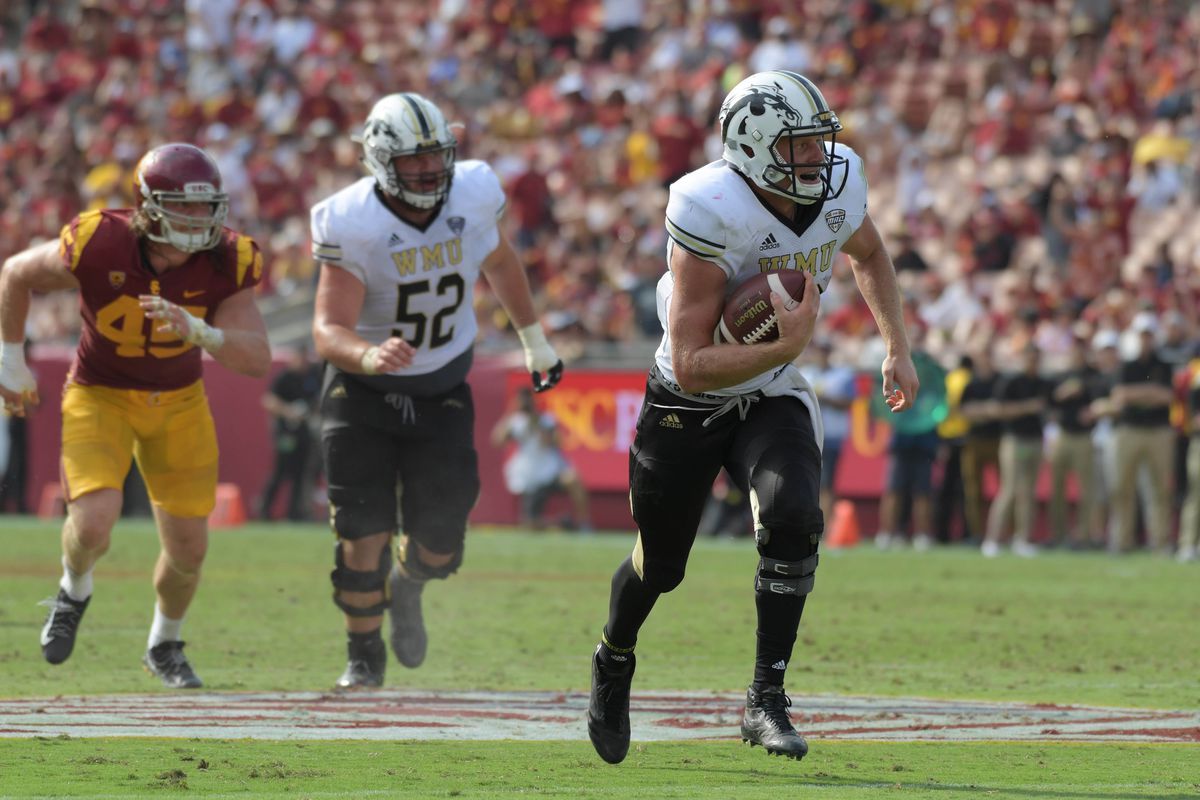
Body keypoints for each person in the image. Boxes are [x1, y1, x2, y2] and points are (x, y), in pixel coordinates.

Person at [586, 71, 918, 765]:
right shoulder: (708, 207)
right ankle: (614, 658)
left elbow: (871, 254)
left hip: (771, 390)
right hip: (688, 399)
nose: (817, 160)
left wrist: (896, 345)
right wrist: (790, 342)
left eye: (818, 143)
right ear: (755, 147)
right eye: (798, 147)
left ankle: (765, 698)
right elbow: (694, 359)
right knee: (661, 566)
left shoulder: (838, 182)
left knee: (794, 515)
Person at [311, 92, 563, 690]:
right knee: (361, 534)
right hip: (363, 390)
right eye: (413, 160)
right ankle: (363, 655)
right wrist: (367, 353)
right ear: (379, 159)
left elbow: (500, 263)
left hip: (442, 385)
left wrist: (534, 340)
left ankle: (410, 586)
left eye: (436, 157)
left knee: (440, 542)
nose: (428, 171)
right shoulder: (351, 220)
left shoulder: (473, 191)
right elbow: (326, 329)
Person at [0, 143, 270, 688]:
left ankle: (164, 644)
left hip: (179, 402)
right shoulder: (99, 241)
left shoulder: (228, 258)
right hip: (100, 393)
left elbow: (257, 357)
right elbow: (15, 273)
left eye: (205, 207)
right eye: (183, 207)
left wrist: (201, 330)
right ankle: (74, 589)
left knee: (190, 549)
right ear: (148, 207)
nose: (198, 219)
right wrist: (9, 360)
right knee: (94, 521)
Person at [490, 386, 590, 531]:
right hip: (530, 477)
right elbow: (497, 441)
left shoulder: (546, 419)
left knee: (573, 479)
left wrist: (535, 420)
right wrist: (510, 413)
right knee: (530, 524)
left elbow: (553, 442)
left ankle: (584, 524)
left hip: (551, 471)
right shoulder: (515, 422)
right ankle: (560, 524)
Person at [980, 343, 1048, 558]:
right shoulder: (1011, 381)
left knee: (1028, 493)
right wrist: (1026, 407)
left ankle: (1023, 538)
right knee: (1008, 491)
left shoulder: (1042, 382)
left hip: (1035, 441)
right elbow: (997, 409)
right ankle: (992, 540)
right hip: (1015, 440)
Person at [259, 344, 322, 521]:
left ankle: (294, 513)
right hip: (286, 433)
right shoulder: (284, 377)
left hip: (305, 432)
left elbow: (318, 399)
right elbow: (269, 401)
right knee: (280, 470)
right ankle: (265, 510)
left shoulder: (313, 376)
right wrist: (289, 411)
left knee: (301, 472)